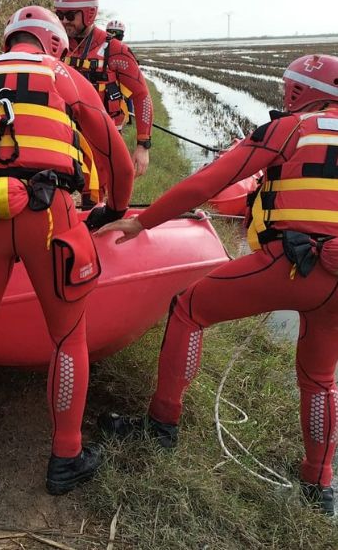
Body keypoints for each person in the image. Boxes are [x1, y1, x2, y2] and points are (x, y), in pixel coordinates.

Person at [96, 54, 338, 516]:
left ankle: (162, 425)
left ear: (297, 93)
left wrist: (142, 223)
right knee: (321, 377)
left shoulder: (287, 130)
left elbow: (210, 181)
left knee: (190, 308)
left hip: (292, 263)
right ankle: (319, 484)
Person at [0, 6, 135, 498]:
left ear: (10, 38)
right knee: (68, 338)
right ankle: (66, 456)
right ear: (54, 44)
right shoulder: (67, 76)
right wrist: (111, 209)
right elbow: (118, 161)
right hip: (50, 212)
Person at [54, 0, 153, 179]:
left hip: (103, 140)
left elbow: (142, 96)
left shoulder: (115, 51)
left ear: (89, 13)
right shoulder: (55, 45)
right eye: (59, 15)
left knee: (97, 195)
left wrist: (143, 146)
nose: (64, 21)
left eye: (70, 15)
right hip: (64, 135)